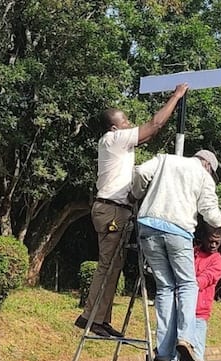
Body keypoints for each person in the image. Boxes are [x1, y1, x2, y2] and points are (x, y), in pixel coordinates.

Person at [76, 83, 190, 338]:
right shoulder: (114, 138)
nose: (129, 124)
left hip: (114, 210)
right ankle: (90, 317)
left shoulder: (116, 143)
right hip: (112, 211)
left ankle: (100, 318)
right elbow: (153, 126)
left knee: (113, 266)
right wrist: (176, 96)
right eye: (125, 121)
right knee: (107, 265)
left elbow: (148, 135)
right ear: (114, 127)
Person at [130, 150, 221, 361]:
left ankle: (163, 350)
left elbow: (141, 172)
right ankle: (185, 339)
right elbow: (209, 212)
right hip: (178, 232)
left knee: (165, 287)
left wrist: (136, 194)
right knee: (187, 284)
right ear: (208, 166)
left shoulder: (165, 159)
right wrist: (220, 221)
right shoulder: (203, 176)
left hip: (148, 225)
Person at [160, 223, 221, 361]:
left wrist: (184, 282)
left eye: (218, 241)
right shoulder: (191, 253)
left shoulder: (218, 261)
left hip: (197, 316)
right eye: (211, 240)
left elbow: (201, 281)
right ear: (203, 238)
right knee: (169, 358)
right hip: (178, 312)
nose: (214, 244)